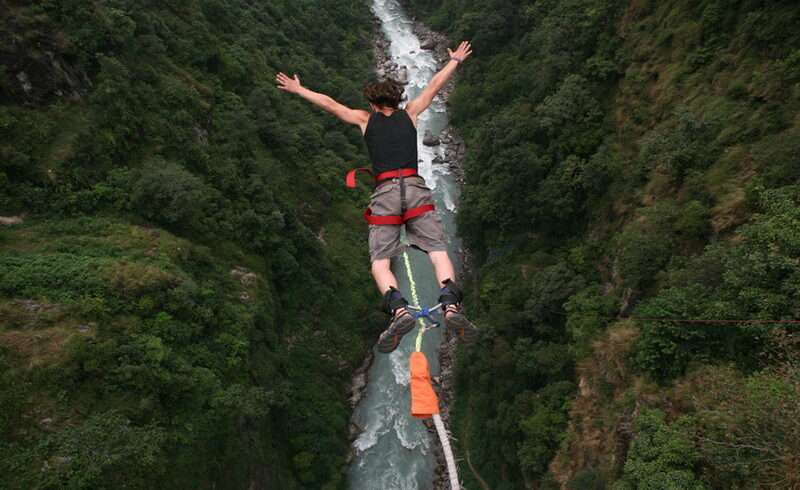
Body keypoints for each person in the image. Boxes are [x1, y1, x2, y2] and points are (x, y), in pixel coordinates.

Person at [276, 41, 477, 353]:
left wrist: (299, 89)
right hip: (415, 190)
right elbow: (434, 85)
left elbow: (330, 104)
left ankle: (399, 310)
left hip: (385, 195)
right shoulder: (410, 114)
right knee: (437, 250)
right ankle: (450, 306)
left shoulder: (364, 119)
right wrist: (454, 61)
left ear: (371, 103)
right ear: (397, 100)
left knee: (380, 263)